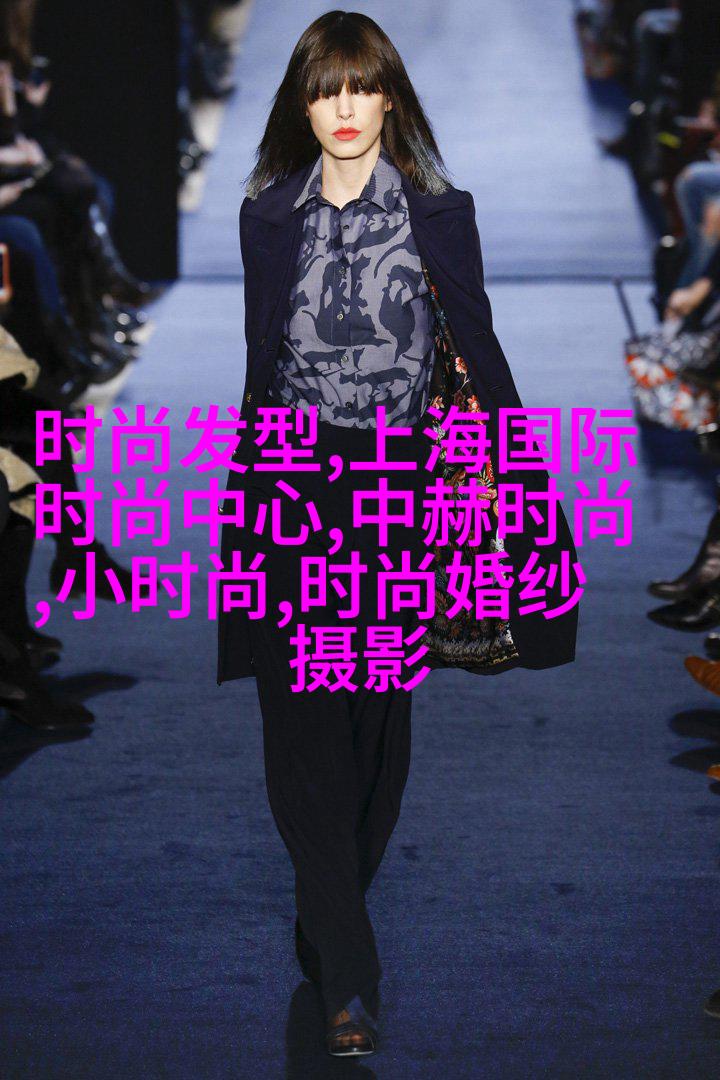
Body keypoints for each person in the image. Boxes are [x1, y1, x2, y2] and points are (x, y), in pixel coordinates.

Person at [216, 11, 579, 1058]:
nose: (343, 109)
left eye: (360, 87)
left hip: (395, 494)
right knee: (300, 731)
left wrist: (523, 502)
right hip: (290, 487)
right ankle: (351, 974)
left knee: (376, 735)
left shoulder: (440, 216)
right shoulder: (266, 219)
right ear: (301, 103)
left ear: (389, 98)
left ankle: (330, 909)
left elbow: (481, 357)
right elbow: (259, 368)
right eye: (324, 89)